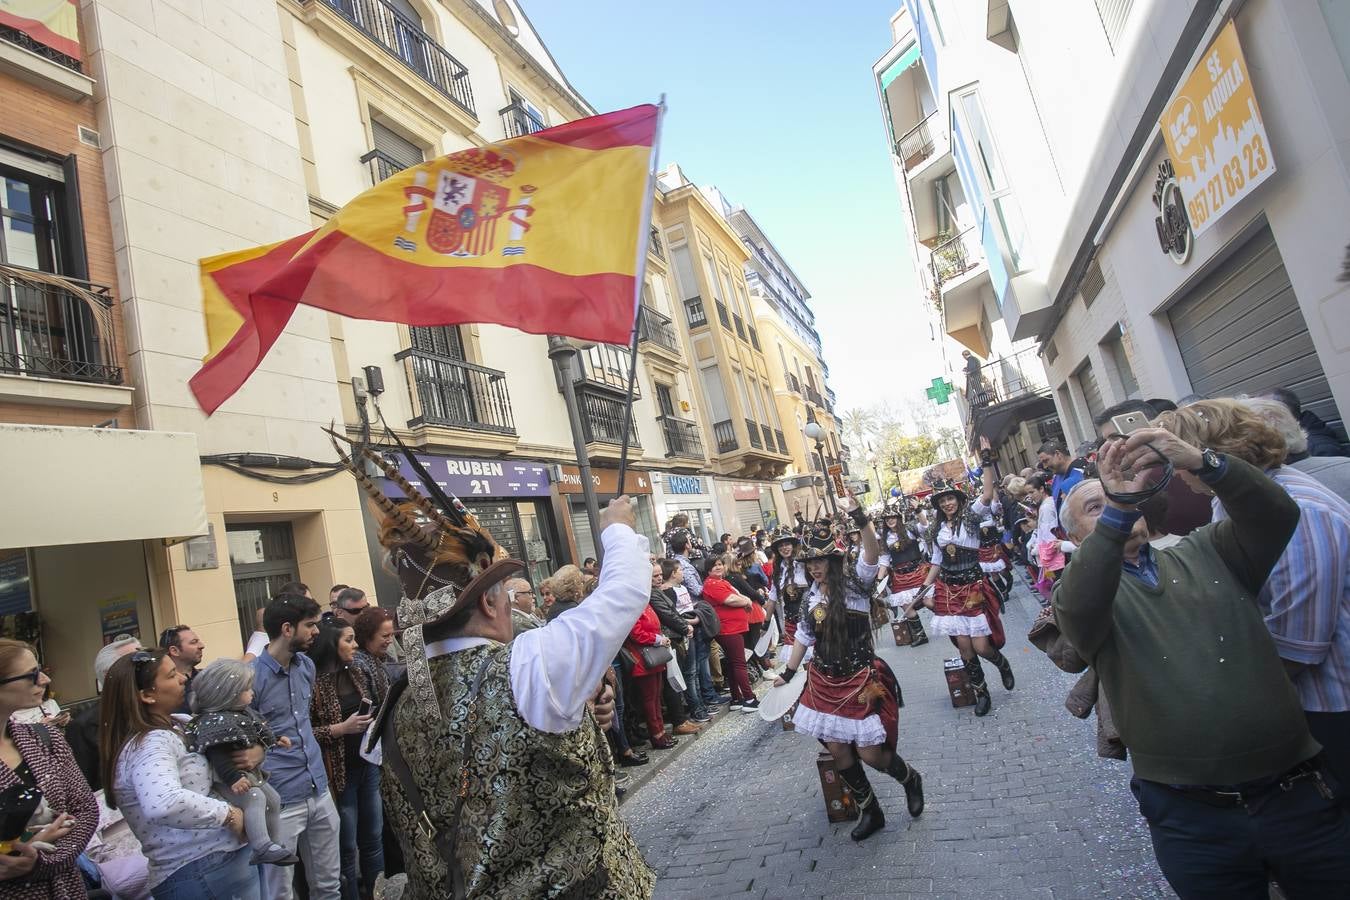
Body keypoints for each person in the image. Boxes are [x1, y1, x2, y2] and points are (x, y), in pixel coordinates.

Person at [340, 430, 652, 899]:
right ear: (489, 602)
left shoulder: (390, 715)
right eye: (506, 595)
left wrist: (582, 707)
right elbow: (623, 594)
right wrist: (617, 526)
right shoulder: (528, 666)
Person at [1054, 428, 1350, 897]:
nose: (1112, 507)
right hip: (1193, 817)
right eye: (1096, 507)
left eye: (1118, 499)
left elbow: (1275, 513)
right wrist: (1119, 507)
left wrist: (1203, 462)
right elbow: (1082, 596)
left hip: (1295, 796)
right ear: (1070, 536)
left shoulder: (1207, 548)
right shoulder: (1080, 597)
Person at [1159, 398, 1350, 787]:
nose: (1176, 473)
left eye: (1179, 459)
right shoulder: (1228, 504)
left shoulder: (1300, 508)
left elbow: (1302, 640)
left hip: (1333, 702)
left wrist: (1225, 696)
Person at [775, 495, 924, 842]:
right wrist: (788, 673)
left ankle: (910, 779)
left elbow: (871, 552)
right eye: (809, 562)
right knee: (838, 750)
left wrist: (859, 516)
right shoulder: (811, 596)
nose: (814, 567)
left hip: (859, 677)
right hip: (823, 680)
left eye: (820, 561)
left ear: (833, 558)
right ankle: (871, 811)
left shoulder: (856, 584)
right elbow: (803, 636)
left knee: (872, 754)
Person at [101, 649, 256, 899]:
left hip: (218, 864)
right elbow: (163, 802)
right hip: (198, 868)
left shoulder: (180, 723)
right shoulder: (151, 744)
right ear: (147, 695)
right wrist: (229, 815)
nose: (183, 678)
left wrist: (255, 752)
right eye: (172, 675)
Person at [251, 593, 342, 900]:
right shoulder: (252, 678)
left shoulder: (305, 666)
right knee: (281, 892)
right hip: (281, 798)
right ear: (287, 629)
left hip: (318, 788)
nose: (317, 632)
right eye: (310, 625)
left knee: (329, 886)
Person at [0, 639, 98, 899]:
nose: (43, 680)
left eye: (41, 671)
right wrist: (12, 854)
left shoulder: (45, 738)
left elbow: (85, 809)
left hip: (65, 889)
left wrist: (39, 860)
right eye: (32, 675)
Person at [916, 470, 1015, 716]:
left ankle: (1002, 664)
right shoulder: (937, 528)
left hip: (972, 587)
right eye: (942, 501)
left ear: (959, 499)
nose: (947, 503)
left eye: (950, 498)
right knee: (964, 647)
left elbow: (987, 493)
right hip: (949, 588)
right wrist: (924, 587)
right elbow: (937, 561)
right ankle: (982, 694)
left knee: (981, 647)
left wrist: (988, 464)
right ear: (938, 506)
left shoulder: (971, 516)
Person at [187, 659, 297, 866]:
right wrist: (233, 778)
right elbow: (218, 755)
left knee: (272, 799)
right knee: (254, 798)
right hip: (228, 778)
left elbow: (258, 731)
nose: (252, 692)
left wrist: (275, 740)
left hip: (246, 775)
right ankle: (261, 845)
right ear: (229, 693)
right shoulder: (214, 722)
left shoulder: (242, 714)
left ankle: (274, 842)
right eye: (246, 689)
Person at [309, 621, 380, 900]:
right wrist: (341, 728)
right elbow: (303, 734)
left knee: (373, 841)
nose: (355, 646)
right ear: (331, 644)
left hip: (367, 766)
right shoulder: (313, 683)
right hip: (339, 776)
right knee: (347, 849)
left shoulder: (357, 672)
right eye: (348, 640)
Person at [1094, 400, 1212, 535]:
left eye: (1116, 437)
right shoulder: (1125, 485)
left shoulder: (1196, 465)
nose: (1110, 447)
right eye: (1106, 441)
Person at [67, 635, 141, 792]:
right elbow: (83, 787)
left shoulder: (156, 706)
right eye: (135, 662)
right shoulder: (83, 727)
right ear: (110, 674)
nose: (145, 668)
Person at [700, 555, 758, 713]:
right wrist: (746, 602)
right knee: (739, 663)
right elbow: (731, 599)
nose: (718, 567)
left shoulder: (721, 582)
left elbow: (739, 595)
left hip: (734, 627)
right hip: (728, 628)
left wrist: (745, 600)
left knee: (734, 663)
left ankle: (737, 698)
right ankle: (749, 698)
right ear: (708, 569)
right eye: (714, 566)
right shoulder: (711, 584)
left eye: (720, 564)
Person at [658, 559, 708, 723]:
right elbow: (673, 614)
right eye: (680, 570)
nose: (683, 573)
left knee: (694, 671)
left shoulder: (682, 588)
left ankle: (701, 704)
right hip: (681, 635)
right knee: (690, 672)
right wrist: (687, 625)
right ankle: (696, 708)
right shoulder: (667, 591)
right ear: (673, 573)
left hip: (691, 631)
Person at [625, 598, 677, 749]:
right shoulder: (633, 605)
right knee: (650, 698)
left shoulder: (644, 603)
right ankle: (656, 734)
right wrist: (658, 640)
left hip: (653, 654)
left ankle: (660, 731)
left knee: (655, 697)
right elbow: (636, 634)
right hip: (643, 657)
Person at [875, 501, 929, 646]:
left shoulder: (910, 528)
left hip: (918, 572)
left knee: (929, 602)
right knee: (906, 606)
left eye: (892, 517)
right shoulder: (885, 538)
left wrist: (918, 509)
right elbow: (884, 561)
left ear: (898, 518)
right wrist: (879, 581)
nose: (890, 521)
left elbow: (924, 526)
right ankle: (920, 635)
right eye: (887, 519)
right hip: (900, 576)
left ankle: (953, 618)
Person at [1264, 386, 1349, 458]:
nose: (1256, 420)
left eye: (1261, 413)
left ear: (1279, 415)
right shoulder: (1293, 443)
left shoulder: (1318, 449)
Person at [353, 606, 400, 709]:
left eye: (391, 635)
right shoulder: (358, 664)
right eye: (385, 636)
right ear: (368, 636)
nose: (390, 640)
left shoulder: (385, 657)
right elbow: (367, 708)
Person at [160, 624, 205, 715]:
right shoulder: (162, 688)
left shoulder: (207, 678)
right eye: (194, 642)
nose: (201, 646)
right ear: (174, 651)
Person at [1036, 440, 1086, 517]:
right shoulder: (1056, 478)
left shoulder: (1082, 471)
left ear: (1058, 454)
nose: (1045, 466)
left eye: (1046, 461)